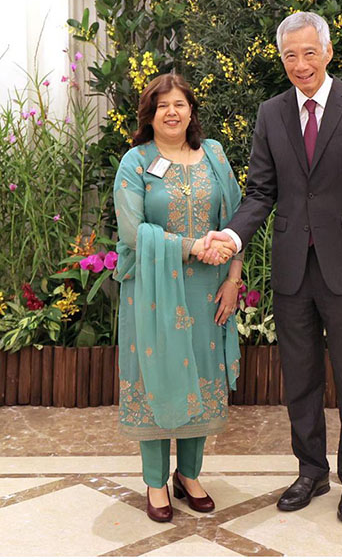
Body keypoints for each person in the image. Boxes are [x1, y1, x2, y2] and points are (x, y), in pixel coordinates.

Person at [201, 11, 342, 522]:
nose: (300, 64)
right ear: (280, 58)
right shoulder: (271, 112)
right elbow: (262, 190)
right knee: (299, 378)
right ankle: (311, 472)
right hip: (291, 268)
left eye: (309, 53)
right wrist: (234, 234)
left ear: (327, 52)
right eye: (290, 55)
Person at [112, 73, 243, 523]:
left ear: (191, 110)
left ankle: (189, 475)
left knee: (200, 374)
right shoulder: (135, 161)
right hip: (151, 289)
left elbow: (235, 219)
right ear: (150, 114)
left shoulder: (214, 155)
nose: (172, 112)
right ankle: (154, 481)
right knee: (158, 372)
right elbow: (131, 232)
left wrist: (234, 279)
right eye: (162, 104)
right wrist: (192, 246)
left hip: (209, 289)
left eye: (180, 104)